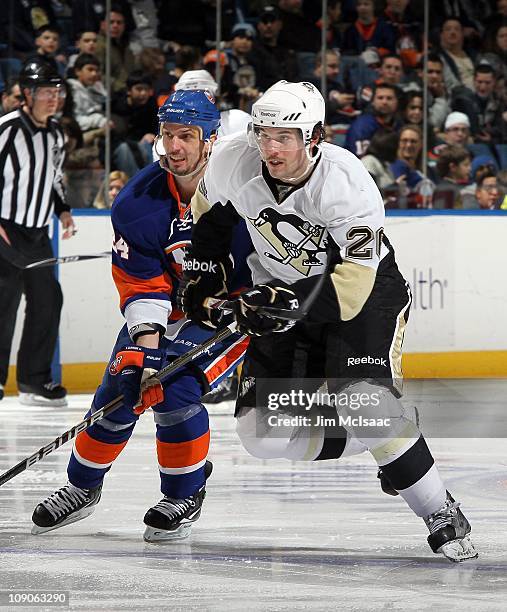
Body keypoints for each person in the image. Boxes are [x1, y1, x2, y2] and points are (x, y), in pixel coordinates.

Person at [178, 80, 478, 562]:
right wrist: (202, 280)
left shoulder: (347, 183)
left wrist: (279, 302)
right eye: (263, 134)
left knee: (363, 399)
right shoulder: (235, 158)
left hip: (363, 295)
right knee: (263, 434)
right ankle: (390, 437)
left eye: (285, 137)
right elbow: (208, 220)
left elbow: (352, 289)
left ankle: (440, 510)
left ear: (314, 137)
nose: (270, 148)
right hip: (282, 289)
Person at [31, 90, 251, 541]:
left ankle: (184, 492)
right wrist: (144, 354)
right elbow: (143, 286)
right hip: (171, 307)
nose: (174, 146)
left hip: (234, 309)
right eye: (168, 134)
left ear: (211, 139)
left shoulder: (246, 190)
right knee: (124, 382)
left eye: (186, 136)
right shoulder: (138, 201)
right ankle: (82, 486)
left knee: (173, 388)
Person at [0, 58, 75, 405]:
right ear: (27, 94)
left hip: (36, 232)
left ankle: (33, 380)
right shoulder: (8, 128)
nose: (51, 98)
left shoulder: (56, 132)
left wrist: (62, 210)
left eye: (55, 91)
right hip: (5, 230)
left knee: (48, 300)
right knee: (3, 305)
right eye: (44, 91)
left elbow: (54, 176)